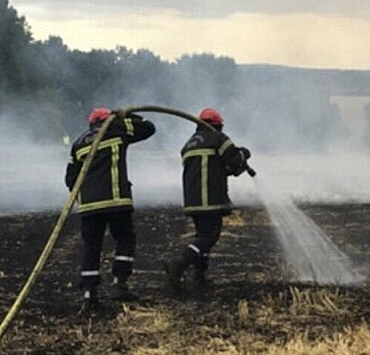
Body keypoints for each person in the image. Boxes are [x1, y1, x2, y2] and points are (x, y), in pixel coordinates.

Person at [65, 108, 156, 308]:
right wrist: (127, 116)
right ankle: (119, 283)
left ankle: (89, 293)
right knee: (125, 238)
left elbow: (70, 179)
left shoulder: (79, 143)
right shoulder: (117, 129)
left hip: (88, 206)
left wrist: (85, 193)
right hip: (116, 201)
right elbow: (149, 128)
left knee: (91, 247)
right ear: (110, 120)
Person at [164, 108, 251, 290]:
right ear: (218, 125)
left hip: (193, 201)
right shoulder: (219, 138)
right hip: (210, 199)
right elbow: (234, 159)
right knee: (209, 237)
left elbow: (215, 168)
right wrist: (244, 153)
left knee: (202, 237)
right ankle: (179, 263)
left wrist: (234, 169)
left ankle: (199, 277)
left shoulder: (189, 144)